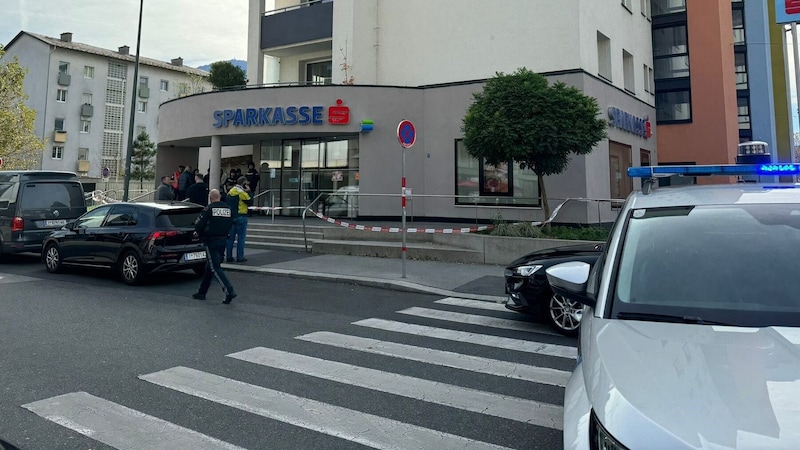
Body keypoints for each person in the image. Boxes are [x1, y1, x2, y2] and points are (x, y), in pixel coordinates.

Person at [193, 189, 237, 304]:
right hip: (223, 240)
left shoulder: (209, 209)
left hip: (211, 241)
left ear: (210, 197)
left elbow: (199, 224)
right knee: (210, 266)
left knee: (215, 268)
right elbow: (231, 222)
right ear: (220, 197)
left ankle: (229, 290)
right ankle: (202, 292)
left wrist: (197, 233)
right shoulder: (228, 209)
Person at [226, 176, 252, 263]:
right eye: (246, 183)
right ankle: (240, 257)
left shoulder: (230, 191)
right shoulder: (241, 193)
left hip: (231, 217)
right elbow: (250, 201)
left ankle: (229, 256)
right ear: (243, 183)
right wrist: (248, 191)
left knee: (230, 239)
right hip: (241, 216)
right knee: (241, 238)